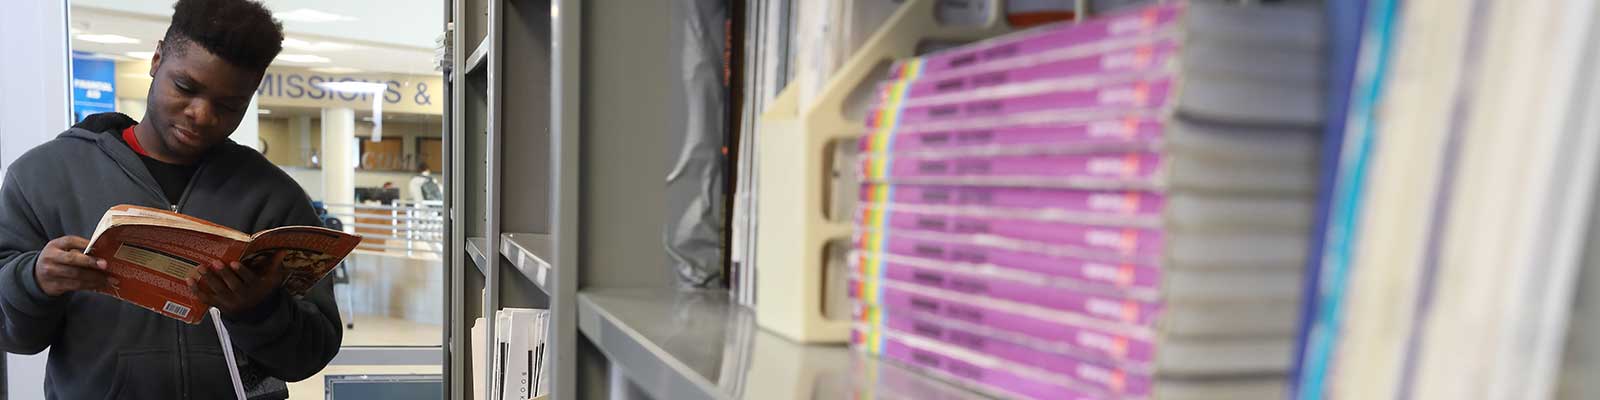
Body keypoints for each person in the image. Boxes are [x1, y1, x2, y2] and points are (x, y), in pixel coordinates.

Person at [0, 0, 341, 398]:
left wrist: (257, 309)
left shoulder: (273, 196)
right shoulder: (45, 176)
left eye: (229, 105)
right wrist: (34, 279)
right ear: (157, 58)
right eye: (186, 88)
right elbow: (14, 336)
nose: (201, 114)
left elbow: (308, 356)